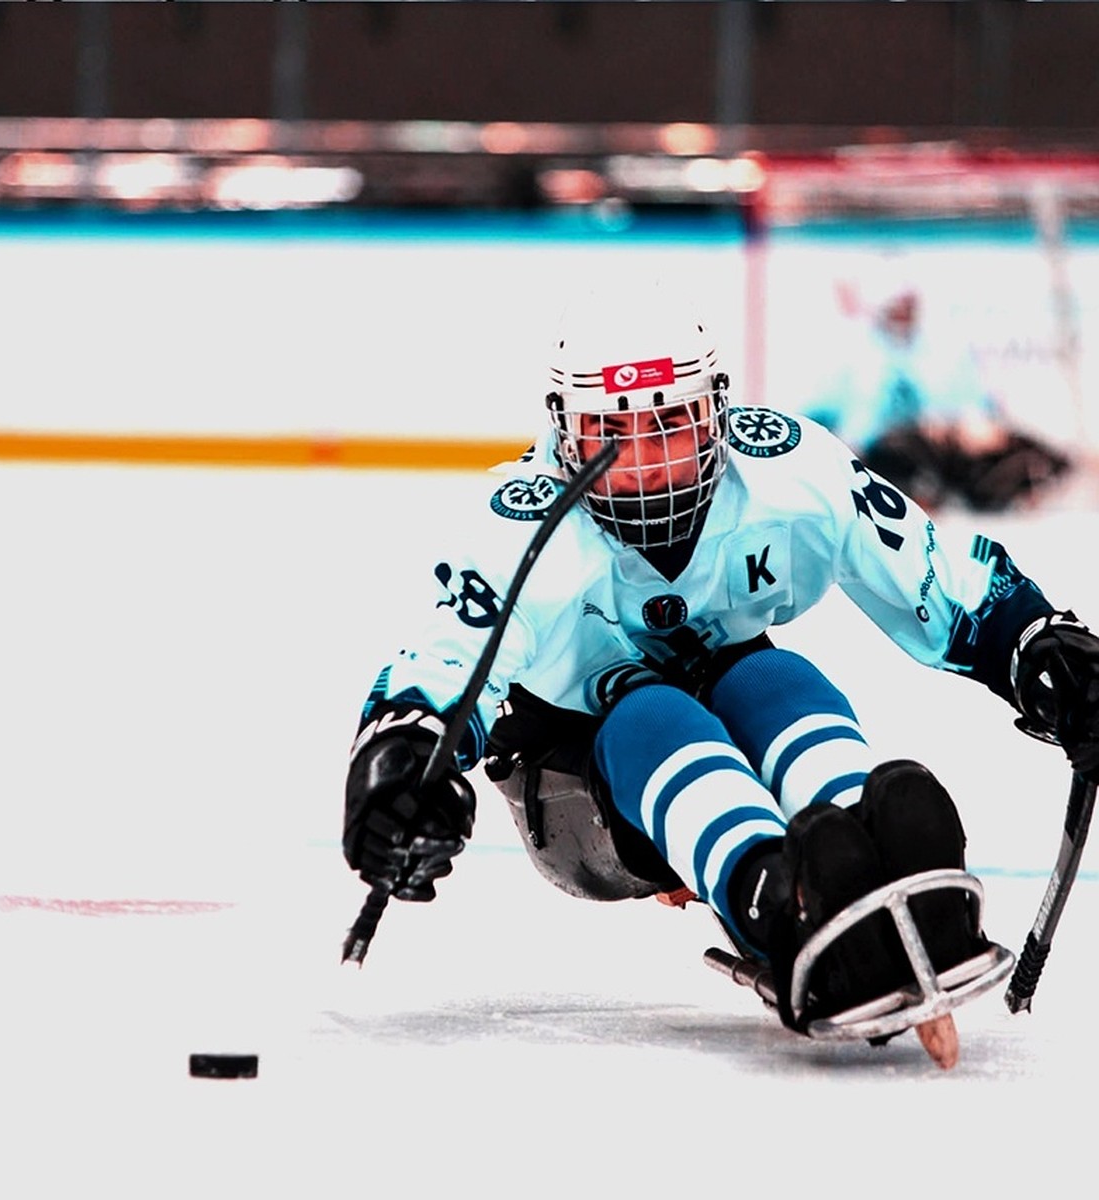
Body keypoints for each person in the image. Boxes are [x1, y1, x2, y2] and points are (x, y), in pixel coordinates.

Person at [342, 280, 1099, 1068]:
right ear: (565, 431)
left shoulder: (788, 468)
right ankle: (776, 900)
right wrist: (400, 763)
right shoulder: (521, 522)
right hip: (574, 773)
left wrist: (1036, 646)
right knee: (653, 715)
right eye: (611, 431)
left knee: (776, 685)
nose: (643, 461)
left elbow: (927, 573)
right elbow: (446, 660)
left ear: (716, 412)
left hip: (725, 687)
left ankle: (876, 858)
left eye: (670, 424)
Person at [797, 258, 1071, 512]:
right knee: (897, 449)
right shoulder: (851, 354)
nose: (905, 313)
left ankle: (1014, 487)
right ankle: (927, 492)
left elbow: (975, 406)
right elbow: (813, 414)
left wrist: (977, 425)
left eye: (909, 305)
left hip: (943, 450)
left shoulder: (943, 349)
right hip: (880, 455)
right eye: (898, 306)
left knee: (1028, 449)